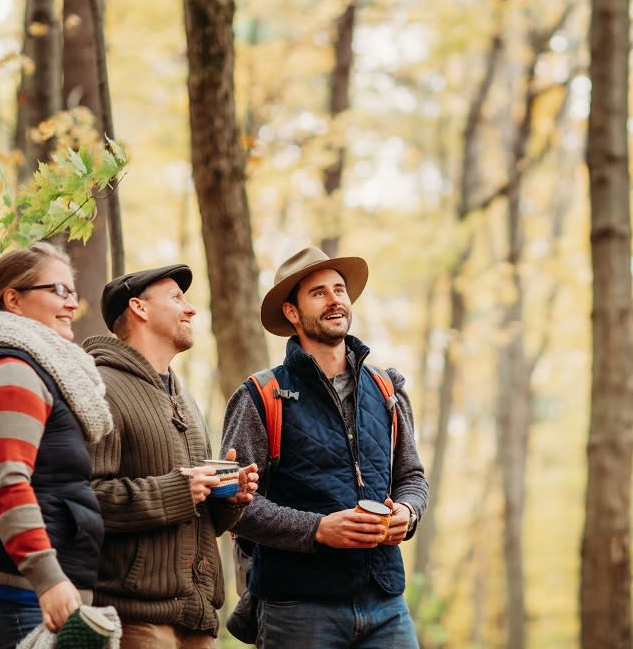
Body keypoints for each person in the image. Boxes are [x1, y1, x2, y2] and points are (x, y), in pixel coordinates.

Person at [221, 247, 429, 648]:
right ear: (292, 313)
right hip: (297, 607)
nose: (335, 299)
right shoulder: (261, 395)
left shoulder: (387, 388)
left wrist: (408, 511)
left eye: (340, 290)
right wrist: (318, 529)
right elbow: (233, 504)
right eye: (319, 293)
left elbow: (412, 477)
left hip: (386, 603)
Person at [0, 242, 114, 648]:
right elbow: (6, 483)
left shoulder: (34, 370)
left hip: (25, 592)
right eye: (58, 291)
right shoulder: (11, 372)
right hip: (9, 594)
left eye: (73, 291)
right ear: (14, 300)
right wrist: (48, 577)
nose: (72, 304)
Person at [84, 264, 259, 648]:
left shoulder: (184, 397)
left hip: (198, 619)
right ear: (139, 308)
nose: (191, 309)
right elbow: (85, 498)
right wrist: (179, 490)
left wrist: (229, 498)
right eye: (176, 298)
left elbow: (199, 519)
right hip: (135, 620)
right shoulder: (100, 387)